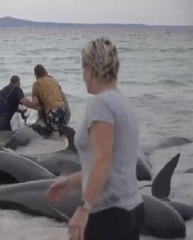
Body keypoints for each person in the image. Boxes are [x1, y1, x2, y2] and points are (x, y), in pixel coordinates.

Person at [46, 37, 144, 240]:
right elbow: (114, 163)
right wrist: (71, 181)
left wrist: (83, 209)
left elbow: (103, 160)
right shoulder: (123, 104)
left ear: (91, 69)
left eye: (83, 68)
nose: (83, 76)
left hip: (108, 214)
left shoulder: (100, 104)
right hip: (133, 209)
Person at [24, 64, 69, 141]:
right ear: (46, 72)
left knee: (55, 137)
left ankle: (57, 151)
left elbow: (35, 103)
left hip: (53, 111)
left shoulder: (37, 84)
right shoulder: (53, 81)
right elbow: (62, 97)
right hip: (64, 110)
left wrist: (25, 102)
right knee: (60, 134)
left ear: (35, 74)